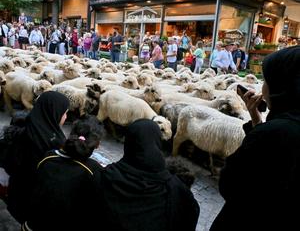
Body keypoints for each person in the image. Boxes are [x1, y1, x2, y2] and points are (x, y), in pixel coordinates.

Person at [210, 46, 300, 231]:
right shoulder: (282, 128)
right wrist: (257, 120)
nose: (262, 87)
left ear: (282, 87)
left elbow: (230, 184)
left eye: (266, 80)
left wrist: (261, 131)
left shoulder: (273, 134)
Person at [99, 119, 200, 231]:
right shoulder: (176, 189)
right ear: (157, 142)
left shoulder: (107, 175)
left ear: (128, 143)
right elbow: (191, 215)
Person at [22, 116, 104, 231]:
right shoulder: (94, 170)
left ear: (71, 135)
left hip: (31, 225)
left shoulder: (49, 156)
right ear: (97, 144)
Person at [3, 91, 69, 223]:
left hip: (15, 192)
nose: (66, 117)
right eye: (65, 112)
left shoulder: (21, 129)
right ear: (54, 112)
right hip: (35, 202)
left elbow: (8, 163)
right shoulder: (55, 142)